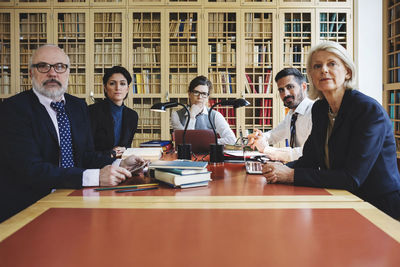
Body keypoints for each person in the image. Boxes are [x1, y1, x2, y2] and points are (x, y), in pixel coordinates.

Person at [0, 45, 145, 222]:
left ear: (68, 72)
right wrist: (95, 176)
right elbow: (30, 170)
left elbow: (85, 156)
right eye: (43, 66)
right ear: (31, 73)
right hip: (31, 207)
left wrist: (119, 163)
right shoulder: (13, 110)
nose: (52, 73)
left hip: (75, 197)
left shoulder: (77, 106)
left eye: (60, 66)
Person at [262, 41, 400, 219]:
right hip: (340, 200)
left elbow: (352, 178)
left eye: (332, 64)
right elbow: (310, 160)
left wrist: (290, 175)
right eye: (317, 66)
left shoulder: (368, 110)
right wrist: (277, 169)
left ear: (347, 71)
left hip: (378, 208)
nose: (324, 70)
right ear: (311, 76)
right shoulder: (320, 109)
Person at [247, 68, 314, 162]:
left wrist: (267, 149)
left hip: (312, 171)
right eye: (281, 90)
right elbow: (274, 135)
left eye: (290, 87)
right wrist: (259, 137)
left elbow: (308, 153)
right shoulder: (292, 115)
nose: (285, 94)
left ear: (303, 87)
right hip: (297, 168)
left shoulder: (314, 111)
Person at [171, 75, 236, 145]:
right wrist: (191, 116)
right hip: (186, 155)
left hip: (210, 154)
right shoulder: (176, 115)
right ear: (189, 94)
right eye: (196, 92)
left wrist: (207, 142)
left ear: (208, 97)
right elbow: (184, 143)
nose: (200, 97)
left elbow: (231, 140)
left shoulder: (215, 115)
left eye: (204, 94)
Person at [88, 66, 138, 158]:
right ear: (105, 88)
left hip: (121, 163)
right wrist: (110, 154)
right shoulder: (92, 112)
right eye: (112, 83)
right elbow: (86, 150)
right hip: (98, 164)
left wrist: (125, 150)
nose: (118, 88)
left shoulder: (132, 115)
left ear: (127, 88)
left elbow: (127, 145)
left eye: (122, 84)